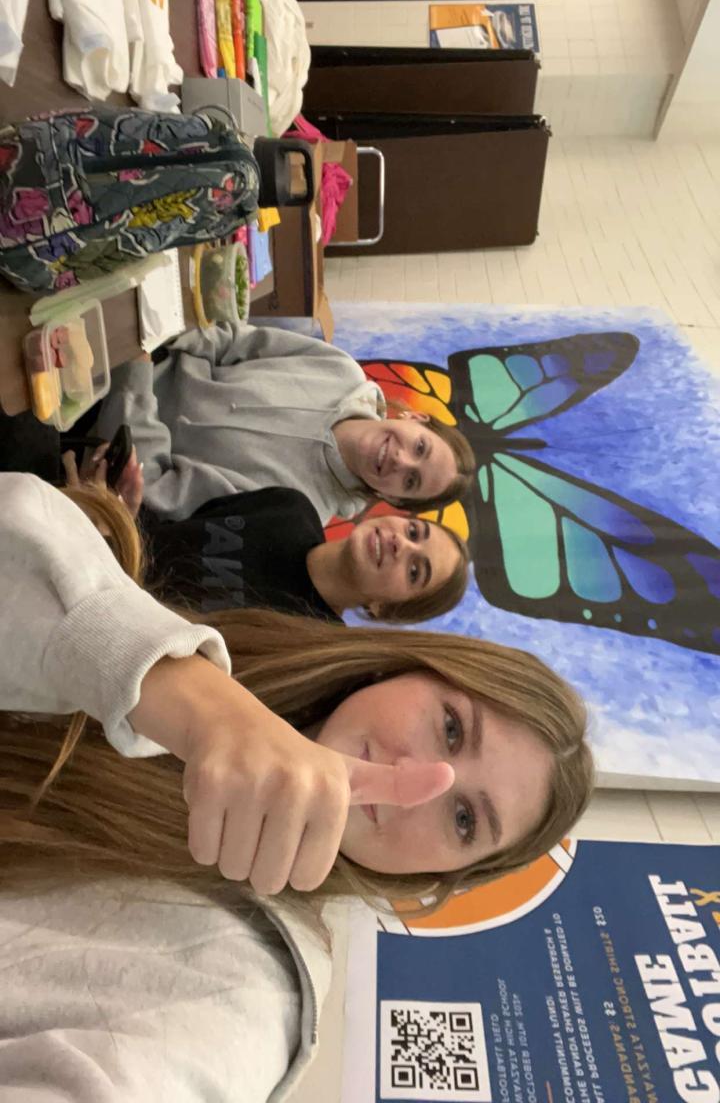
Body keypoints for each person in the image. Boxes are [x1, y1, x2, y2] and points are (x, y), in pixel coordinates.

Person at [0, 472, 593, 1100]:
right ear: (410, 668)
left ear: (440, 876)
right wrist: (172, 687)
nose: (419, 782)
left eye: (464, 819)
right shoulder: (244, 633)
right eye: (450, 728)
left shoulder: (249, 987)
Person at [93, 322, 475, 522]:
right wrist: (152, 337)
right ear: (415, 418)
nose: (401, 461)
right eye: (420, 447)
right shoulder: (341, 369)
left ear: (393, 499)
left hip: (94, 430)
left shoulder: (297, 512)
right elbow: (232, 340)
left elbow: (159, 490)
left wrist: (135, 376)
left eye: (410, 481)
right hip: (138, 341)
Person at [143, 485, 470, 623]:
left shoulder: (306, 643)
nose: (402, 545)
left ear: (385, 608)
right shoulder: (290, 507)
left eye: (415, 571)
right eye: (413, 532)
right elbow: (172, 527)